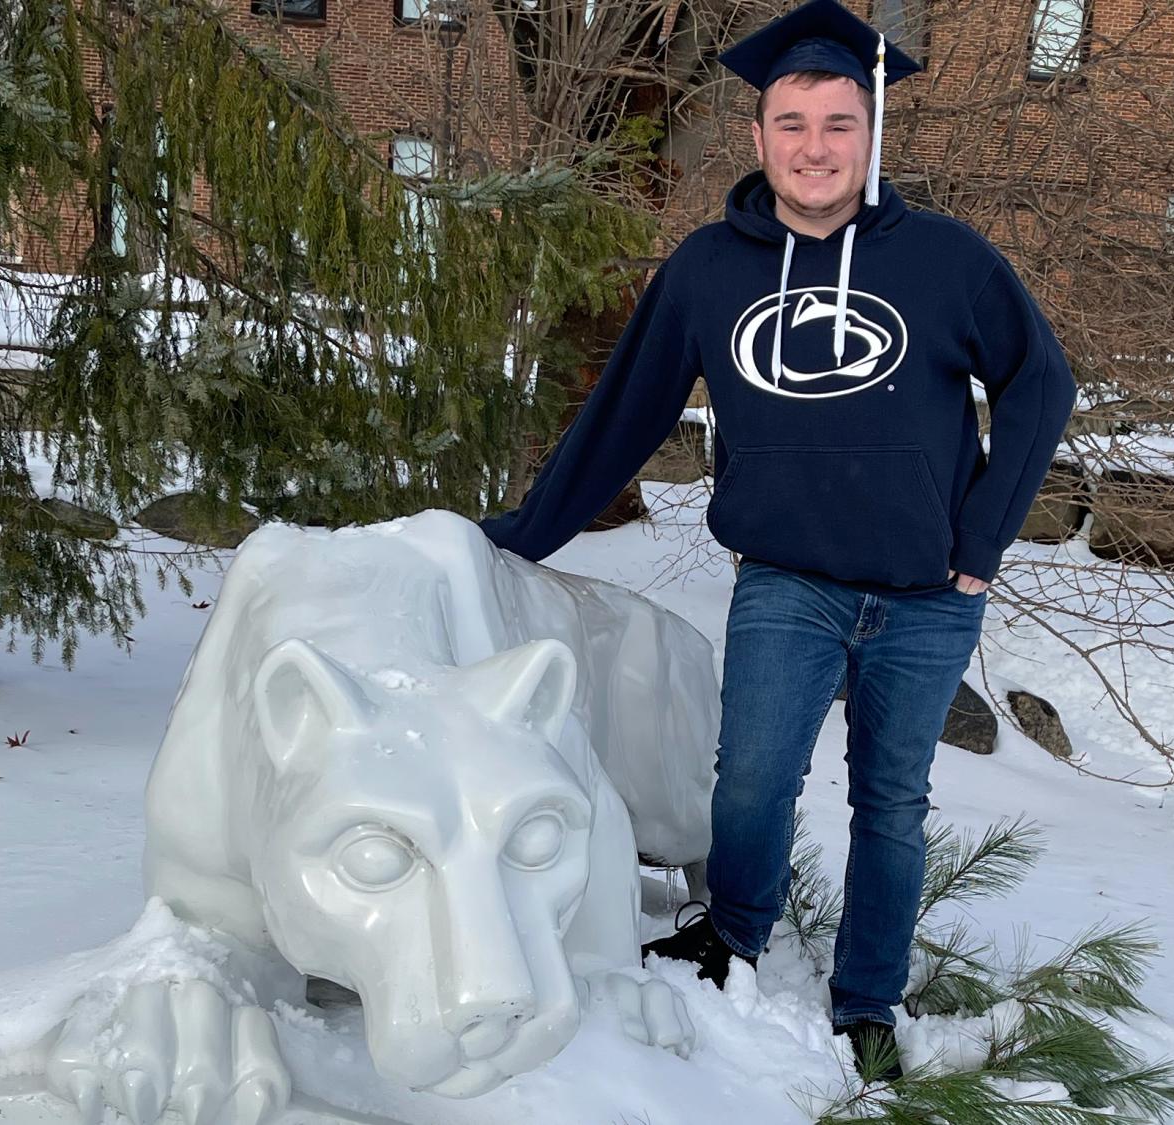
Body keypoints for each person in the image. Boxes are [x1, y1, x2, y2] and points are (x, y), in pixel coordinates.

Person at [478, 0, 1076, 1083]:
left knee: (891, 805)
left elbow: (1042, 384)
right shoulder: (710, 271)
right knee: (750, 783)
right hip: (785, 584)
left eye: (838, 123)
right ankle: (733, 933)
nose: (815, 146)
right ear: (757, 138)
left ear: (871, 133)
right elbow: (625, 414)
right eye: (792, 123)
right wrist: (526, 533)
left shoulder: (947, 261)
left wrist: (984, 536)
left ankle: (867, 1002)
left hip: (929, 595)